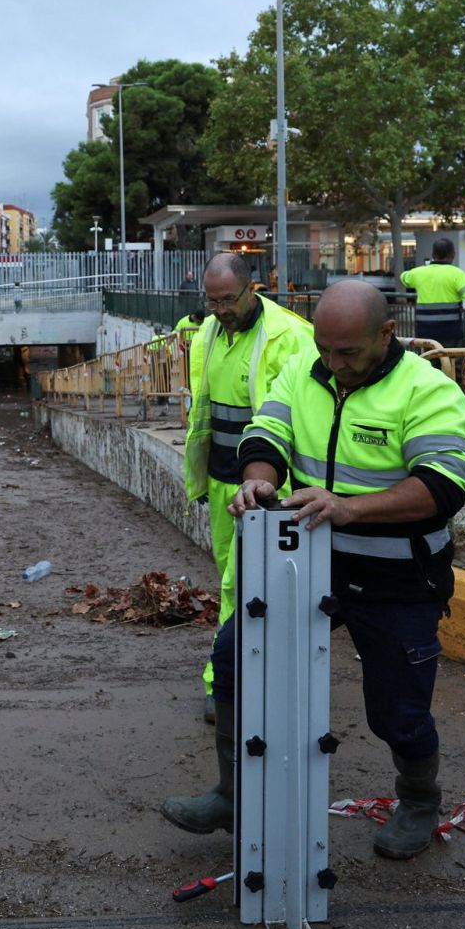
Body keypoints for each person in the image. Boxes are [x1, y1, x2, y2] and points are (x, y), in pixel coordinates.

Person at [161, 280, 465, 861]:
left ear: (386, 334)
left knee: (397, 712)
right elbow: (268, 431)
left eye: (347, 353)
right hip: (307, 564)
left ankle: (419, 801)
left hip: (398, 582)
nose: (332, 365)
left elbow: (443, 485)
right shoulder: (307, 369)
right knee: (234, 659)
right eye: (326, 350)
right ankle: (234, 793)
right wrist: (259, 476)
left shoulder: (428, 390)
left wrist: (349, 507)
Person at [181, 253, 315, 723]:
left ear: (251, 288)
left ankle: (226, 685)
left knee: (243, 583)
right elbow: (206, 411)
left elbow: (300, 418)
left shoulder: (290, 336)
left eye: (228, 300)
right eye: (212, 301)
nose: (220, 309)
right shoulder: (209, 333)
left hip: (266, 491)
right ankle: (248, 679)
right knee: (231, 579)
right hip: (222, 483)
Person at [400, 236, 465, 347]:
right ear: (453, 254)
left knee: (427, 363)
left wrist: (425, 267)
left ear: (433, 254)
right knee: (452, 363)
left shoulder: (417, 273)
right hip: (450, 334)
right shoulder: (457, 274)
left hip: (424, 334)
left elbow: (403, 277)